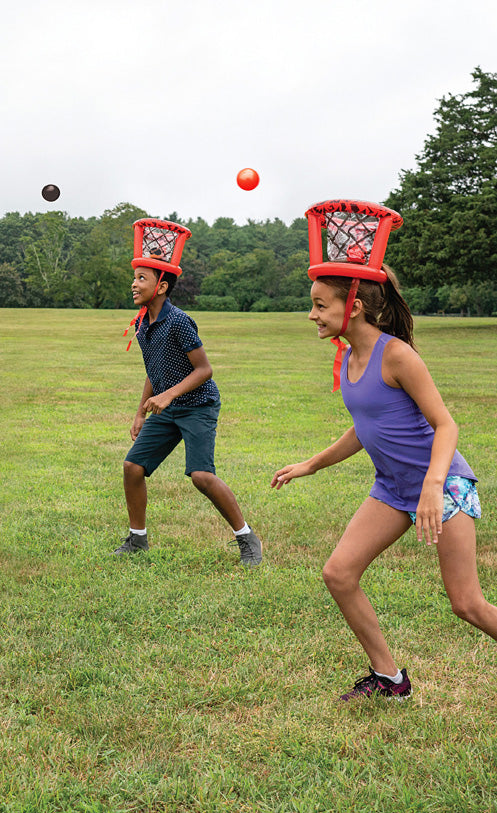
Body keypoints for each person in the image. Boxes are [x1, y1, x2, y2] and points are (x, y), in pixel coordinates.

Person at [272, 266, 496, 701]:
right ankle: (390, 679)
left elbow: (446, 425)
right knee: (339, 574)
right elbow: (365, 427)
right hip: (393, 488)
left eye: (320, 306)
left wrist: (432, 487)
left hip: (443, 485)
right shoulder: (349, 356)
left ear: (353, 307)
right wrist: (312, 464)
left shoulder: (396, 355)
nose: (312, 315)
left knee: (467, 604)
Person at [115, 261, 263, 566]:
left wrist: (168, 394)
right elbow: (153, 369)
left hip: (198, 405)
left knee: (201, 476)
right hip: (166, 408)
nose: (134, 284)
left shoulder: (179, 321)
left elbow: (204, 370)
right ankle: (137, 540)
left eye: (141, 278)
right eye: (134, 278)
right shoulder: (142, 323)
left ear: (161, 287)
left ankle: (247, 537)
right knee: (132, 467)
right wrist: (141, 412)